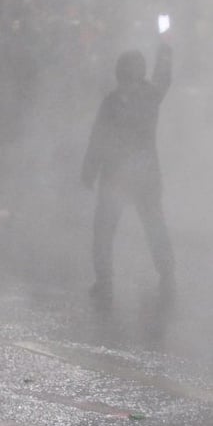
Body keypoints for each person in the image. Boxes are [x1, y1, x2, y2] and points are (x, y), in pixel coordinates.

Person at [81, 42, 174, 301]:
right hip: (145, 174)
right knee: (154, 224)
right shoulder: (150, 95)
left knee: (104, 229)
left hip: (116, 176)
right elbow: (164, 77)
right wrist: (165, 49)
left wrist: (89, 169)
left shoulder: (113, 101)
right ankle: (167, 271)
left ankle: (104, 279)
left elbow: (98, 138)